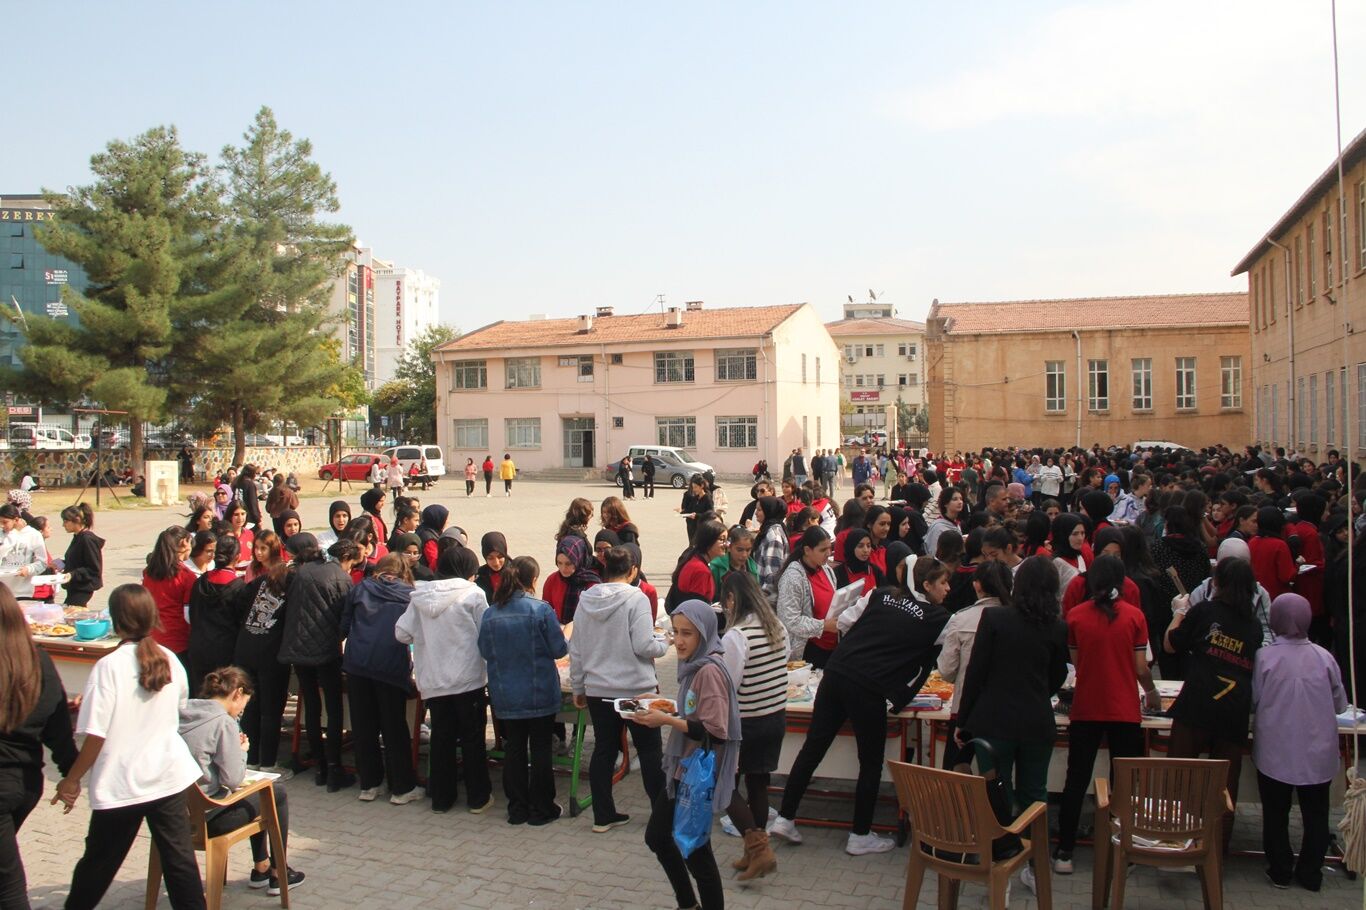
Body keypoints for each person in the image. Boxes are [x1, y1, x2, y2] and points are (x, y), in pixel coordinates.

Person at [771, 554, 950, 855]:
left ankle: (785, 817)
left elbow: (844, 622)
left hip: (837, 672)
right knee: (870, 761)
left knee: (813, 748)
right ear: (927, 585)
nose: (948, 589)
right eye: (943, 583)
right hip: (868, 687)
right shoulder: (939, 618)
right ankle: (860, 834)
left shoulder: (879, 594)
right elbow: (949, 654)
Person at [53, 584, 207, 910]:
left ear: (116, 621)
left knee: (98, 864)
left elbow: (96, 736)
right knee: (180, 864)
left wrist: (72, 779)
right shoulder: (169, 660)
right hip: (167, 776)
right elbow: (177, 710)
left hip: (121, 782)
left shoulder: (109, 666)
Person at [1052, 555, 1161, 875]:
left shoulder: (1075, 616)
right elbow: (1141, 668)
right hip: (1124, 708)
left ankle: (1065, 850)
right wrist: (1151, 691)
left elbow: (1077, 662)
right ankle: (1122, 849)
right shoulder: (1135, 616)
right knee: (1123, 783)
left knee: (1076, 780)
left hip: (1086, 706)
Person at [631, 598, 741, 910]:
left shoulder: (708, 671)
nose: (678, 641)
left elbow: (715, 731)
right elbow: (694, 708)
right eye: (676, 632)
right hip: (684, 768)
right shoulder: (695, 665)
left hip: (695, 772)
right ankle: (688, 903)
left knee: (695, 850)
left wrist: (665, 720)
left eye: (687, 633)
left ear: (704, 634)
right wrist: (663, 704)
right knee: (662, 838)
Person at [956, 557, 1068, 823]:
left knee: (996, 792)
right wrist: (1039, 691)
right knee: (1035, 793)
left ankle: (1000, 843)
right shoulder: (1057, 626)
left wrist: (963, 720)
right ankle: (1033, 845)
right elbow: (1059, 674)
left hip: (993, 719)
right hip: (1036, 718)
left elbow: (976, 672)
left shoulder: (995, 618)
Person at [1163, 557, 1262, 850]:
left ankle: (1173, 836)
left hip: (1198, 701)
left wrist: (1179, 613)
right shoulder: (1253, 625)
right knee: (1225, 782)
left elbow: (1170, 644)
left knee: (1179, 772)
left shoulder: (1204, 611)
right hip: (1234, 707)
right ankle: (1217, 846)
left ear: (1217, 583)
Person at [569, 546, 669, 833]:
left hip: (598, 688)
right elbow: (644, 645)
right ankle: (661, 815)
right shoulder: (636, 599)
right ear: (633, 570)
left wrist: (578, 686)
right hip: (635, 688)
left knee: (604, 749)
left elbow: (576, 648)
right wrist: (665, 642)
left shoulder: (586, 599)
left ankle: (603, 815)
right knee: (650, 751)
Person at [178, 667, 303, 896]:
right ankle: (278, 872)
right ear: (237, 693)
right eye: (243, 705)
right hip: (207, 817)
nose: (241, 712)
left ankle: (261, 866)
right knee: (274, 792)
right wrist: (242, 751)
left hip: (173, 815)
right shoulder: (222, 721)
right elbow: (233, 779)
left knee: (258, 792)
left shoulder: (183, 711)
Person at [1253, 593, 1348, 892]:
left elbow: (1254, 699)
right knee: (1317, 813)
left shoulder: (1265, 657)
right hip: (1317, 750)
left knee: (1275, 812)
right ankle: (1310, 872)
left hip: (1275, 750)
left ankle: (1280, 869)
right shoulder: (1324, 657)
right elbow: (1340, 704)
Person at [396, 546, 493, 814]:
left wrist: (427, 637)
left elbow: (401, 633)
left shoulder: (420, 596)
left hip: (434, 680)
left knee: (441, 738)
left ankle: (441, 798)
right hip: (468, 680)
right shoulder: (474, 594)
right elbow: (486, 632)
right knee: (472, 739)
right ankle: (478, 798)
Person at [0, 583, 77, 908]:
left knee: (9, 886)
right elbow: (58, 729)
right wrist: (71, 773)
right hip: (26, 785)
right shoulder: (37, 661)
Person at [478, 555, 569, 825]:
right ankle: (542, 808)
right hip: (539, 690)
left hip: (507, 693)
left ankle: (517, 808)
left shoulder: (491, 613)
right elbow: (558, 649)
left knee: (514, 748)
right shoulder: (540, 610)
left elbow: (484, 650)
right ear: (533, 580)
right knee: (541, 749)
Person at [718, 572, 787, 880]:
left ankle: (759, 850)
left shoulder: (737, 636)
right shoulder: (776, 626)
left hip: (746, 722)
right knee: (758, 783)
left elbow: (728, 684)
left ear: (732, 599)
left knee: (724, 786)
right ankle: (754, 852)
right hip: (774, 716)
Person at [277, 533, 355, 791]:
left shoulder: (303, 571)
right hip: (325, 651)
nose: (350, 569)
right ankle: (334, 768)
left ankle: (320, 766)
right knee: (333, 709)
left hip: (297, 647)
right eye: (351, 564)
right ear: (345, 557)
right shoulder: (341, 577)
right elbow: (345, 616)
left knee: (311, 706)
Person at [342, 553, 420, 805]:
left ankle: (369, 784)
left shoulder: (361, 588)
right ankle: (402, 788)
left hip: (357, 664)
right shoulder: (410, 596)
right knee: (394, 727)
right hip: (390, 666)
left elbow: (344, 626)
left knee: (363, 727)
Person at [937, 560, 1014, 770]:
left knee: (956, 773)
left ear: (977, 585)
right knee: (996, 774)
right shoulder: (1018, 619)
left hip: (965, 707)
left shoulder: (961, 619)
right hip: (1005, 708)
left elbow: (946, 670)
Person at [235, 538, 299, 779]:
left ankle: (250, 759)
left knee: (251, 707)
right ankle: (269, 763)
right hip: (271, 654)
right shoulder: (292, 586)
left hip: (246, 648)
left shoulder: (260, 582)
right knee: (271, 710)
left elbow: (240, 602)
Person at [186, 532, 244, 696]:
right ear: (238, 557)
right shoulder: (239, 588)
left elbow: (192, 614)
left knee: (200, 697)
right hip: (225, 652)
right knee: (222, 698)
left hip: (198, 647)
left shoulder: (200, 582)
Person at [776, 528, 839, 667]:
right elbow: (790, 620)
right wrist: (823, 626)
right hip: (807, 650)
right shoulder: (792, 578)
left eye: (830, 548)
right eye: (823, 550)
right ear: (807, 550)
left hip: (831, 645)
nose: (828, 553)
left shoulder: (826, 570)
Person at [142, 526, 197, 669]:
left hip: (153, 638)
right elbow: (189, 615)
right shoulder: (186, 576)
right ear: (184, 543)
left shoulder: (149, 572)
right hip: (177, 641)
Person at [667, 520, 727, 611]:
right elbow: (696, 609)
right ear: (709, 540)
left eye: (726, 540)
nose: (726, 544)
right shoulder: (701, 570)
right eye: (722, 540)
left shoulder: (694, 560)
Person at [58, 503, 104, 607]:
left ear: (77, 520)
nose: (63, 525)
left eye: (66, 521)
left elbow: (93, 568)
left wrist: (72, 574)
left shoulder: (87, 539)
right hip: (74, 586)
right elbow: (76, 560)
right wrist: (60, 564)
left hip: (83, 588)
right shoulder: (78, 537)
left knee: (70, 612)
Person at [0, 505, 47, 602]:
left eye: (5, 522)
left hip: (22, 592)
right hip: (2, 589)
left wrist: (29, 569)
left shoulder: (33, 535)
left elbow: (42, 563)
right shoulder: (2, 534)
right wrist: (12, 534)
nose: (2, 526)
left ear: (16, 520)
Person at [754, 496, 790, 603]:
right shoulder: (768, 529)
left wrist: (762, 600)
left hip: (767, 599)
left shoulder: (773, 536)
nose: (755, 513)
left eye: (759, 510)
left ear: (769, 511)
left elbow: (773, 574)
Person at [710, 525, 758, 593]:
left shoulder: (752, 567)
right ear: (729, 547)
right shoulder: (716, 568)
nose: (744, 555)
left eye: (748, 550)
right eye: (739, 550)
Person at [677, 474, 714, 542]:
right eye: (693, 487)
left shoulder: (707, 498)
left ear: (702, 486)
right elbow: (690, 509)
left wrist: (697, 515)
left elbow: (710, 514)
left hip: (702, 528)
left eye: (695, 487)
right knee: (692, 545)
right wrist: (682, 511)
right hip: (692, 527)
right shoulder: (695, 498)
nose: (694, 490)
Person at [264, 473, 299, 537]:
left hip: (276, 517)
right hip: (287, 516)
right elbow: (294, 504)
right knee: (288, 535)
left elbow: (268, 508)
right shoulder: (289, 491)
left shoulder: (272, 492)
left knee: (278, 535)